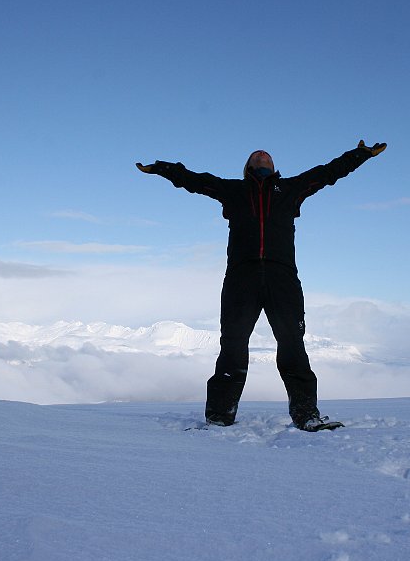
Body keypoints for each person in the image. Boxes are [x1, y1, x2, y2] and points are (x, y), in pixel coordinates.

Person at [137, 139, 386, 431]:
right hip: (241, 277)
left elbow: (328, 172)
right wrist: (163, 169)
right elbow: (194, 180)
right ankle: (220, 415)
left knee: (292, 343)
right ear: (249, 167)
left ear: (274, 166)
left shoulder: (291, 188)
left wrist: (360, 154)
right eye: (256, 155)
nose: (262, 153)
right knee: (232, 344)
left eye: (266, 154)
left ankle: (306, 414)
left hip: (283, 277)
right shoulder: (233, 190)